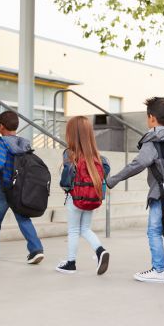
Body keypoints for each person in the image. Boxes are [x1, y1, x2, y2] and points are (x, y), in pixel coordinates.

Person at [106, 97, 164, 284]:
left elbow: (138, 163)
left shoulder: (153, 140)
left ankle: (158, 270)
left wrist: (113, 180)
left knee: (154, 231)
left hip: (162, 195)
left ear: (152, 118)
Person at [0, 111, 44, 264]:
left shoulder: (1, 142)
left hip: (4, 188)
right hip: (20, 187)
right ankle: (36, 249)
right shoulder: (24, 142)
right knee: (23, 218)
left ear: (1, 126)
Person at [56, 116, 111, 275]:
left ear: (71, 134)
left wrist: (65, 186)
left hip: (75, 199)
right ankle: (100, 251)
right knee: (85, 229)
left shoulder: (69, 154)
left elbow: (66, 180)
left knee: (73, 230)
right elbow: (105, 171)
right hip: (91, 197)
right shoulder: (98, 157)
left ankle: (71, 263)